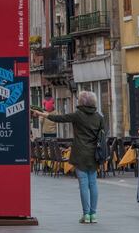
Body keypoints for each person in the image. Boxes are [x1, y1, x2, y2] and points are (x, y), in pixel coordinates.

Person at [32, 91, 103, 224]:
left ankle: (86, 214)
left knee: (83, 183)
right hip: (94, 153)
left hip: (80, 152)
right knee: (93, 183)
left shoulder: (78, 115)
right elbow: (102, 134)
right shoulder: (99, 117)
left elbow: (58, 118)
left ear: (81, 102)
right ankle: (93, 214)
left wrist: (41, 113)